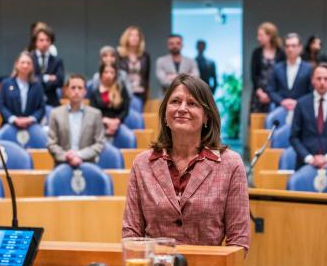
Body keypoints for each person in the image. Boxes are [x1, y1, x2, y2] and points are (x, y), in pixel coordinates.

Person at [122, 74, 249, 250]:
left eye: (192, 103)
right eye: (175, 101)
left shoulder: (231, 164)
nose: (182, 108)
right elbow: (131, 236)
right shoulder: (142, 163)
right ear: (165, 114)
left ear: (206, 116)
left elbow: (238, 243)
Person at [290, 63, 327, 171]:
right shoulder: (301, 103)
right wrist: (309, 158)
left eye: (326, 79)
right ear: (312, 80)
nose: (322, 82)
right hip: (305, 164)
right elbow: (294, 137)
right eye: (319, 78)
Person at [47, 75, 105, 166]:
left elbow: (100, 144)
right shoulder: (55, 113)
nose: (76, 91)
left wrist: (79, 155)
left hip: (88, 164)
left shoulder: (95, 114)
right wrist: (67, 156)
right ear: (66, 91)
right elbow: (51, 144)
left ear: (85, 91)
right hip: (62, 164)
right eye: (73, 88)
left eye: (80, 88)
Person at [267, 33, 313, 118]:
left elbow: (312, 92)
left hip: (302, 111)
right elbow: (270, 90)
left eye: (293, 46)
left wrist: (298, 103)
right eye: (287, 46)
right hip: (280, 110)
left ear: (300, 48)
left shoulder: (309, 69)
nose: (290, 49)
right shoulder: (277, 68)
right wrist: (282, 101)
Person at [0, 50, 46, 127]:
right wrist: (14, 119)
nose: (25, 65)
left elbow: (41, 108)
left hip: (31, 127)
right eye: (22, 62)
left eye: (28, 63)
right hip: (10, 126)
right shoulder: (6, 84)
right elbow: (2, 106)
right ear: (16, 64)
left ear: (32, 66)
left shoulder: (37, 85)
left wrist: (30, 119)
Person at [250, 22, 285, 114]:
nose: (258, 38)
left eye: (261, 35)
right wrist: (260, 92)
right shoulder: (256, 52)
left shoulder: (281, 53)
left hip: (276, 94)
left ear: (269, 36)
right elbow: (254, 75)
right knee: (256, 124)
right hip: (259, 94)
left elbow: (283, 76)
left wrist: (271, 96)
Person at [88, 63, 131, 138]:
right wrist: (106, 121)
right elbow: (93, 111)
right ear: (101, 74)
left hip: (118, 124)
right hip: (100, 124)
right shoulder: (94, 92)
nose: (109, 75)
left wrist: (116, 121)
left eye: (112, 72)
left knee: (129, 137)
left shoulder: (121, 89)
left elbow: (125, 110)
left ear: (115, 75)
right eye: (106, 72)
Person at [31, 26, 64, 106]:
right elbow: (29, 78)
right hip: (32, 99)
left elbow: (60, 81)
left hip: (52, 100)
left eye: (48, 40)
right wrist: (47, 78)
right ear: (35, 42)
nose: (45, 43)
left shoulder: (57, 60)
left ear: (51, 42)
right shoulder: (29, 59)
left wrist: (39, 79)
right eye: (41, 40)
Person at [118, 25, 151, 102]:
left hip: (140, 93)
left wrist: (146, 94)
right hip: (123, 93)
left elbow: (146, 77)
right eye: (131, 35)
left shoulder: (145, 56)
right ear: (126, 38)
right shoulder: (119, 55)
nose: (135, 38)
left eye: (137, 35)